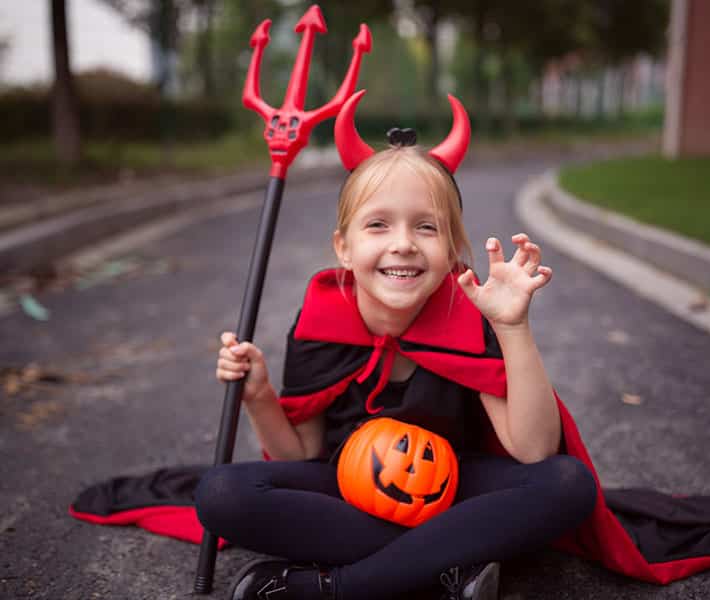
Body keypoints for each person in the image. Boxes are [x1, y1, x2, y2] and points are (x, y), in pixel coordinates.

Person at [195, 94, 598, 600]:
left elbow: (534, 450)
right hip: (343, 488)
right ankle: (448, 560)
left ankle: (339, 586)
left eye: (426, 227)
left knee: (567, 485)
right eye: (378, 224)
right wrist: (258, 397)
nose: (403, 243)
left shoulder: (470, 318)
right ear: (344, 246)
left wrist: (513, 328)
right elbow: (302, 452)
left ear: (452, 248)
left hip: (454, 488)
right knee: (222, 493)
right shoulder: (322, 321)